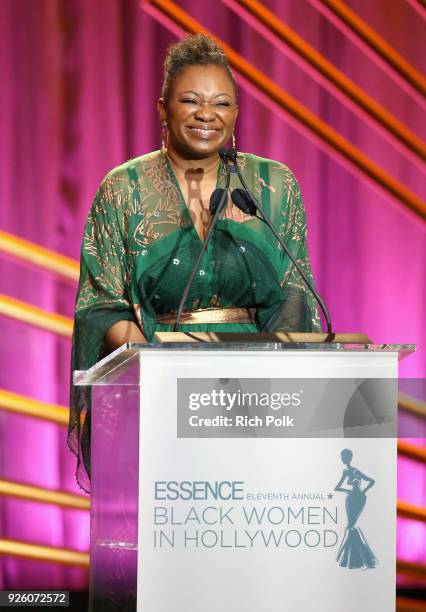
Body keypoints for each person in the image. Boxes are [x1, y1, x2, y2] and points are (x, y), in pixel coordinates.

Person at [68, 33, 321, 492]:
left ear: (236, 115)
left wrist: (270, 374)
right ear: (162, 108)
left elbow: (293, 288)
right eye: (191, 100)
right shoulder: (123, 188)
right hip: (157, 385)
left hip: (258, 392)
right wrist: (160, 367)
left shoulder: (273, 184)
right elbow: (102, 303)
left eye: (221, 103)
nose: (207, 114)